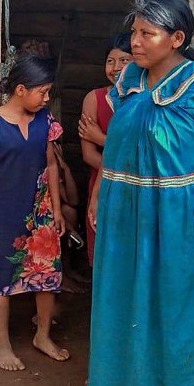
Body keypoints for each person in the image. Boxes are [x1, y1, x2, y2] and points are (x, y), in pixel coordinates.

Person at [85, 0, 194, 386]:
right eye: (133, 32)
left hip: (181, 222)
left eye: (146, 33)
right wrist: (98, 196)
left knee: (181, 316)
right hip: (124, 218)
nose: (134, 43)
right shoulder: (127, 84)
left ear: (176, 38)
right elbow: (119, 152)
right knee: (121, 308)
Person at [0, 54, 71, 371]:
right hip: (1, 213)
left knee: (47, 278)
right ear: (22, 89)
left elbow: (52, 166)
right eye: (43, 92)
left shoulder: (46, 123)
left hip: (40, 215)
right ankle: (3, 344)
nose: (47, 98)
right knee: (0, 279)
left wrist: (56, 208)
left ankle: (42, 336)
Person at [76, 34, 132, 265]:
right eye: (110, 61)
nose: (115, 67)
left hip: (136, 188)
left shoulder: (143, 98)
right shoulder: (95, 99)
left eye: (124, 61)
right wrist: (126, 165)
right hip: (103, 187)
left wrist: (101, 138)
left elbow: (141, 152)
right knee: (103, 257)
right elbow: (88, 155)